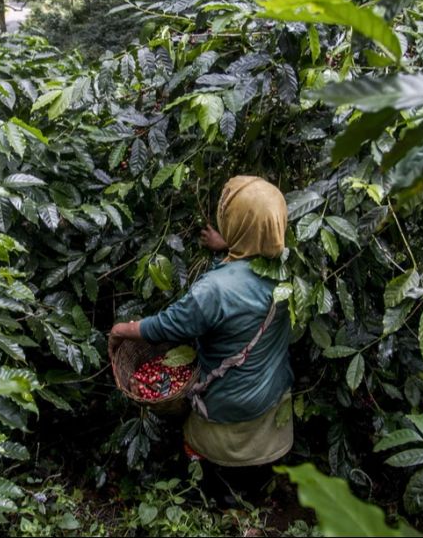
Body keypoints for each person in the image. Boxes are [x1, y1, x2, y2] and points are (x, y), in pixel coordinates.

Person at [108, 175, 294, 506]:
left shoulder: (212, 290)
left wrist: (123, 330)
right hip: (273, 401)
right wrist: (228, 247)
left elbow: (168, 326)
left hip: (228, 410)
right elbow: (246, 282)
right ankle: (261, 481)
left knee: (201, 458)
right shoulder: (287, 266)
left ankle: (211, 490)